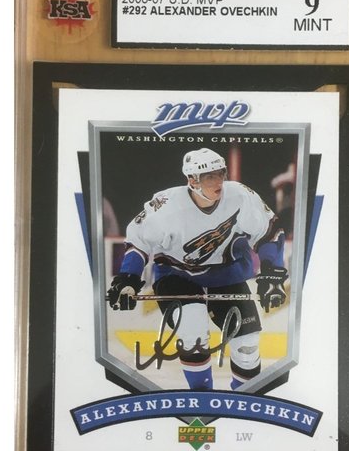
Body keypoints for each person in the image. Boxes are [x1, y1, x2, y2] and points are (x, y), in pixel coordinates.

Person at [107, 148, 288, 391]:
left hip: (226, 273)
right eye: (209, 177)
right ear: (192, 180)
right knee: (192, 332)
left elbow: (268, 233)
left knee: (247, 345)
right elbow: (138, 242)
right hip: (176, 275)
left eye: (221, 174)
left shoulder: (240, 196)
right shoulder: (165, 206)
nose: (219, 182)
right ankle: (201, 397)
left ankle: (244, 397)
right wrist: (128, 279)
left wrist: (272, 273)